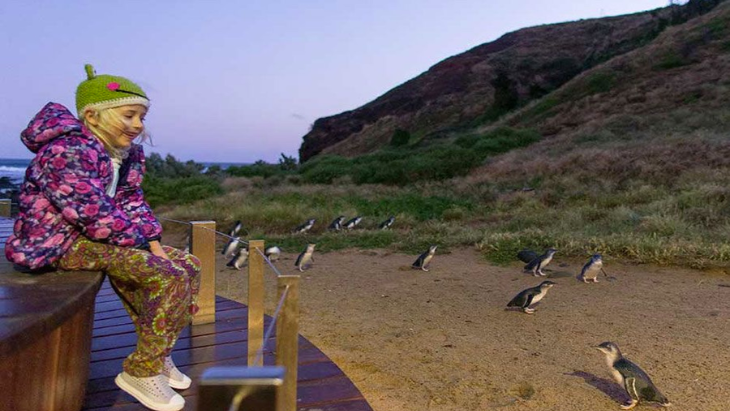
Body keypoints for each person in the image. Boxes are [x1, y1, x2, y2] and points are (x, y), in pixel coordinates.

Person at [4, 64, 200, 411]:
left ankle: (156, 353)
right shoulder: (66, 151)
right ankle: (141, 371)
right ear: (93, 116)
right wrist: (146, 249)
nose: (139, 125)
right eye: (129, 115)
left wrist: (154, 243)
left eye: (142, 116)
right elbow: (92, 213)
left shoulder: (124, 155)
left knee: (186, 264)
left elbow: (130, 201)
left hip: (94, 238)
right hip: (57, 243)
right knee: (165, 274)